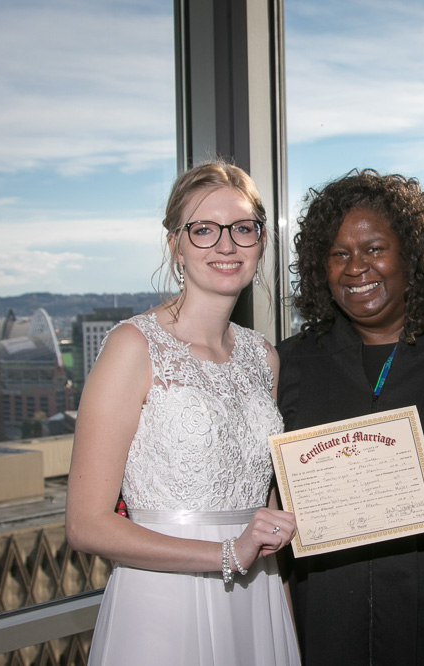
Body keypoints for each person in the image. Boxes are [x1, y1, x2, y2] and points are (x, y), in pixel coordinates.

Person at [277, 169, 424, 666]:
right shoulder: (293, 365)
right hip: (326, 619)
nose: (355, 267)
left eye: (374, 249)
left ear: (413, 255)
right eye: (338, 254)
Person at [65, 160, 300, 665]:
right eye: (203, 230)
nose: (226, 245)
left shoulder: (264, 358)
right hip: (163, 605)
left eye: (243, 229)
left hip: (257, 595)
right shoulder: (134, 346)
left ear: (261, 241)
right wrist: (223, 555)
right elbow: (86, 524)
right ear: (175, 245)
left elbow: (269, 511)